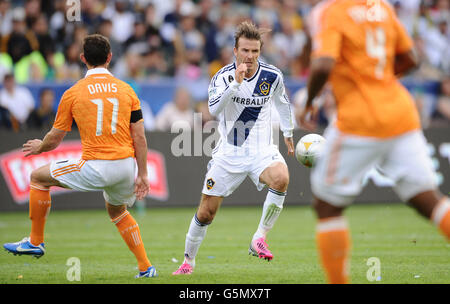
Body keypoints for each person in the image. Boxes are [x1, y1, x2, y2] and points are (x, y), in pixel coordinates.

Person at [297, 0, 450, 284]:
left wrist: (308, 102)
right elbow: (411, 58)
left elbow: (322, 64)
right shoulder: (382, 7)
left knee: (326, 206)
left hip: (359, 120)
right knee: (429, 200)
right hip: (401, 114)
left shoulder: (330, 11)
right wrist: (378, 80)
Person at [3, 34, 157, 279]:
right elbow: (140, 138)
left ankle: (35, 241)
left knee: (38, 178)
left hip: (96, 165)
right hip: (126, 167)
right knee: (117, 212)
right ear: (110, 58)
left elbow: (55, 139)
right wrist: (144, 174)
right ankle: (146, 267)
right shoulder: (127, 90)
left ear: (83, 58)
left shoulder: (73, 93)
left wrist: (39, 147)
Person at [173, 21, 295, 275]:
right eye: (245, 51)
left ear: (260, 51)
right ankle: (188, 262)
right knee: (206, 213)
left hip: (262, 150)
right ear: (235, 51)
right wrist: (235, 85)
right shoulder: (222, 77)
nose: (249, 57)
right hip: (230, 152)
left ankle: (259, 238)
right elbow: (214, 110)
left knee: (281, 178)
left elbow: (283, 104)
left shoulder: (272, 76)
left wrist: (288, 132)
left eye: (255, 52)